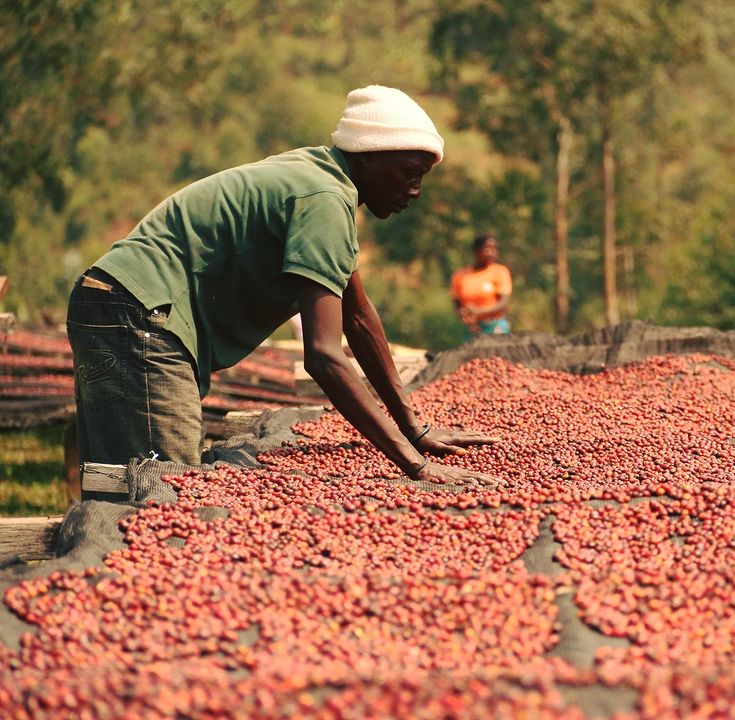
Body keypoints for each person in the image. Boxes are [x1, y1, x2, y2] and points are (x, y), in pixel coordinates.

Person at [67, 85, 499, 488]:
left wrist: (414, 428)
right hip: (138, 311)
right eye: (408, 173)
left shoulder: (322, 181)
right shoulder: (324, 200)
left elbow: (360, 318)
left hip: (116, 301)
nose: (416, 190)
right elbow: (325, 356)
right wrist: (416, 465)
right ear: (367, 157)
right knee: (163, 489)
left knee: (124, 478)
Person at [451, 234, 512, 336]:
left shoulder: (499, 272)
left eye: (495, 249)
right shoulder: (461, 275)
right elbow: (456, 303)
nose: (492, 253)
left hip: (495, 327)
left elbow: (503, 303)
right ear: (476, 250)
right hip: (472, 328)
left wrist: (479, 312)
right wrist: (465, 314)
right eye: (488, 248)